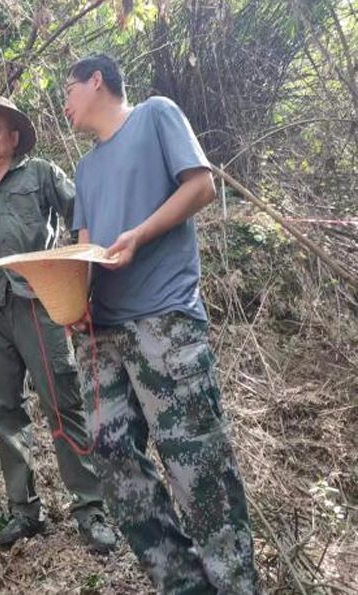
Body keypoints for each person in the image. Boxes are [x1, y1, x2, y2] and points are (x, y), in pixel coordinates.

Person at [65, 54, 259, 593]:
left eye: (69, 89)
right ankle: (184, 582)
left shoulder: (156, 115)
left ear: (97, 80)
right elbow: (84, 253)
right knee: (112, 460)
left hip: (163, 323)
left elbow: (201, 186)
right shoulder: (84, 169)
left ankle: (236, 584)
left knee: (197, 465)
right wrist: (67, 300)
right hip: (100, 336)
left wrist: (139, 234)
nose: (65, 102)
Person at [0, 95, 116, 552]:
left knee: (61, 400)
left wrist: (78, 271)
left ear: (13, 137)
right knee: (4, 409)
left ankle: (90, 509)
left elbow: (82, 217)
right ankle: (24, 510)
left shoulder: (42, 174)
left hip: (42, 300)